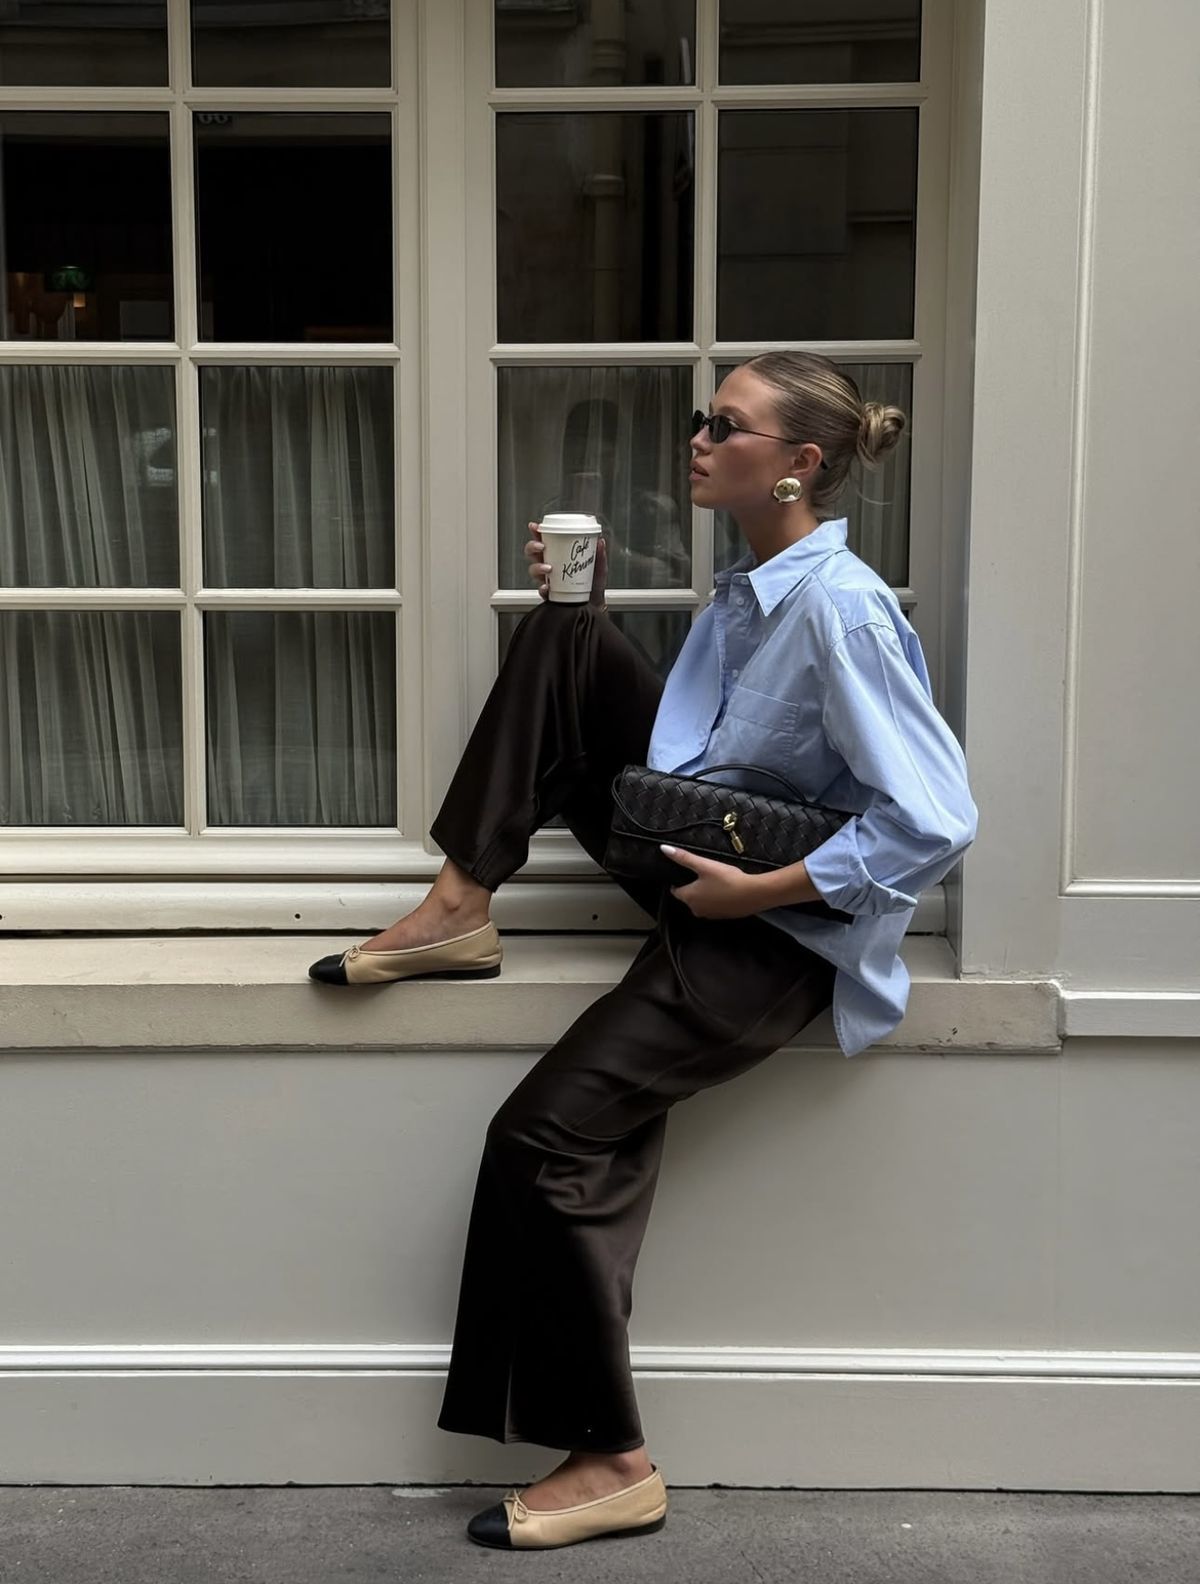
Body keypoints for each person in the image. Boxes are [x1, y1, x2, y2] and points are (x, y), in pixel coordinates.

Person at [307, 351, 978, 1551]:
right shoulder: (749, 587)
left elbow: (934, 820)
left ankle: (614, 1461)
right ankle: (460, 903)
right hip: (700, 852)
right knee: (565, 637)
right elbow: (697, 752)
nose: (699, 440)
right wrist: (592, 609)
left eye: (726, 425)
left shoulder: (841, 607)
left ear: (799, 464)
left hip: (769, 933)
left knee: (543, 1138)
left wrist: (759, 892)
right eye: (700, 419)